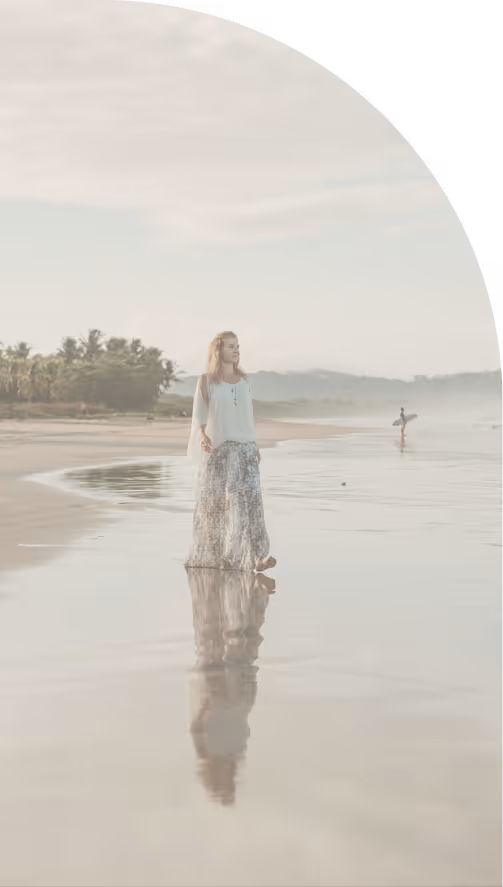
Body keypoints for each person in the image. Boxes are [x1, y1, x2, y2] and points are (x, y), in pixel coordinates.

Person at [185, 331, 276, 573]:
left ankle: (256, 556)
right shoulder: (206, 381)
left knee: (250, 505)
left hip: (245, 451)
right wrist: (202, 435)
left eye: (237, 346)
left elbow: (247, 417)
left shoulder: (244, 381)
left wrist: (254, 445)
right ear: (218, 351)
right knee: (217, 507)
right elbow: (199, 415)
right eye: (230, 346)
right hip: (220, 451)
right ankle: (218, 557)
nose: (236, 350)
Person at [186, 566, 274, 805]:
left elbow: (200, 724)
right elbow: (201, 724)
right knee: (234, 640)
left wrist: (209, 704)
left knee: (230, 640)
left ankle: (254, 590)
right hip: (227, 697)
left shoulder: (219, 752)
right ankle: (253, 589)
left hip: (224, 696)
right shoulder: (225, 752)